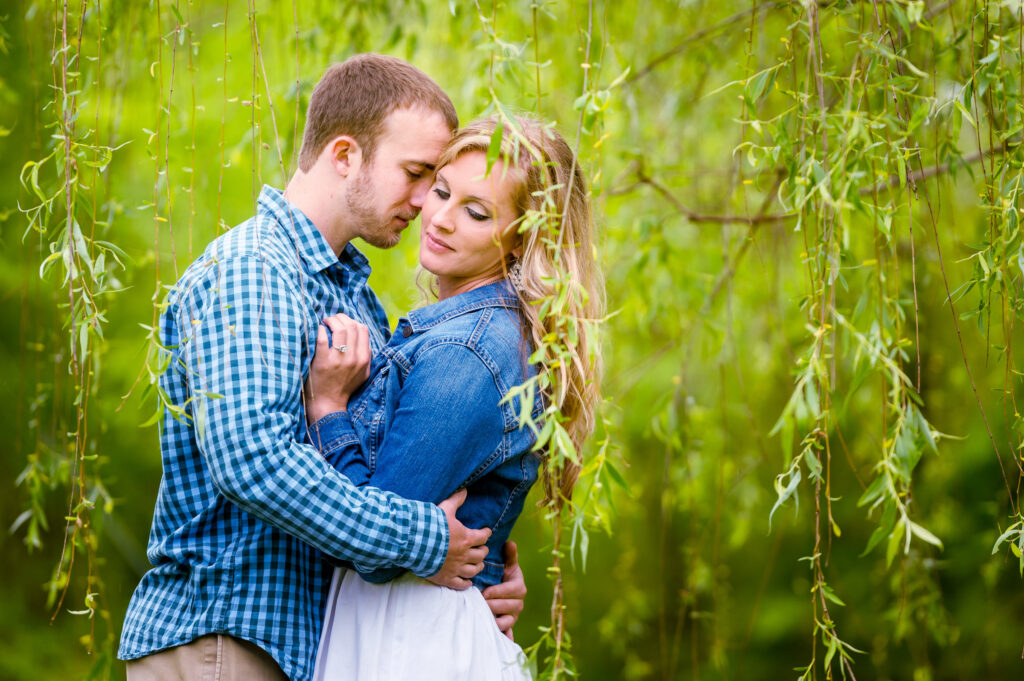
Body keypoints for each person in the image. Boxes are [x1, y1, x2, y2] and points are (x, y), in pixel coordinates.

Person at [118, 55, 527, 681]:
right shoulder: (254, 271)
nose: (425, 203)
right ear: (344, 156)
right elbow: (253, 463)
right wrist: (426, 542)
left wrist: (484, 567)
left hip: (301, 648)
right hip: (224, 641)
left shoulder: (352, 295)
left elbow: (393, 467)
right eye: (418, 175)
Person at [302, 115, 603, 680]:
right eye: (441, 191)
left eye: (476, 211)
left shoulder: (469, 353)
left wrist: (329, 410)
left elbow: (373, 542)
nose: (438, 218)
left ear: (524, 238)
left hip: (413, 635)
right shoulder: (469, 335)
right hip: (405, 623)